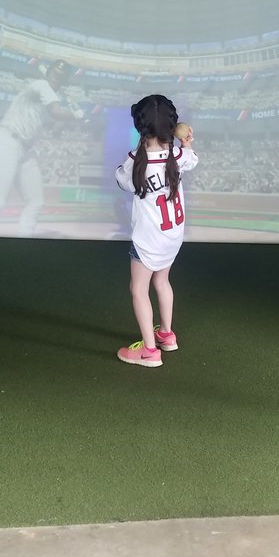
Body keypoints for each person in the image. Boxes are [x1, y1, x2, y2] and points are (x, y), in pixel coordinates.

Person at [114, 94, 198, 367]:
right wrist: (186, 143)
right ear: (172, 128)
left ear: (140, 128)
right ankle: (167, 335)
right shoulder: (178, 156)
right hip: (173, 237)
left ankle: (150, 351)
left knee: (138, 289)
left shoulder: (134, 163)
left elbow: (121, 180)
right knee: (162, 282)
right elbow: (191, 158)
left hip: (148, 240)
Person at [0, 59, 84, 237]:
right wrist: (75, 114)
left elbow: (55, 130)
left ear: (64, 81)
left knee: (36, 201)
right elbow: (57, 112)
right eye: (54, 73)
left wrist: (71, 119)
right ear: (48, 72)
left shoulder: (49, 100)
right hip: (6, 140)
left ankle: (25, 240)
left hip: (25, 151)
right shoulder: (41, 85)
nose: (56, 77)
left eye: (60, 76)